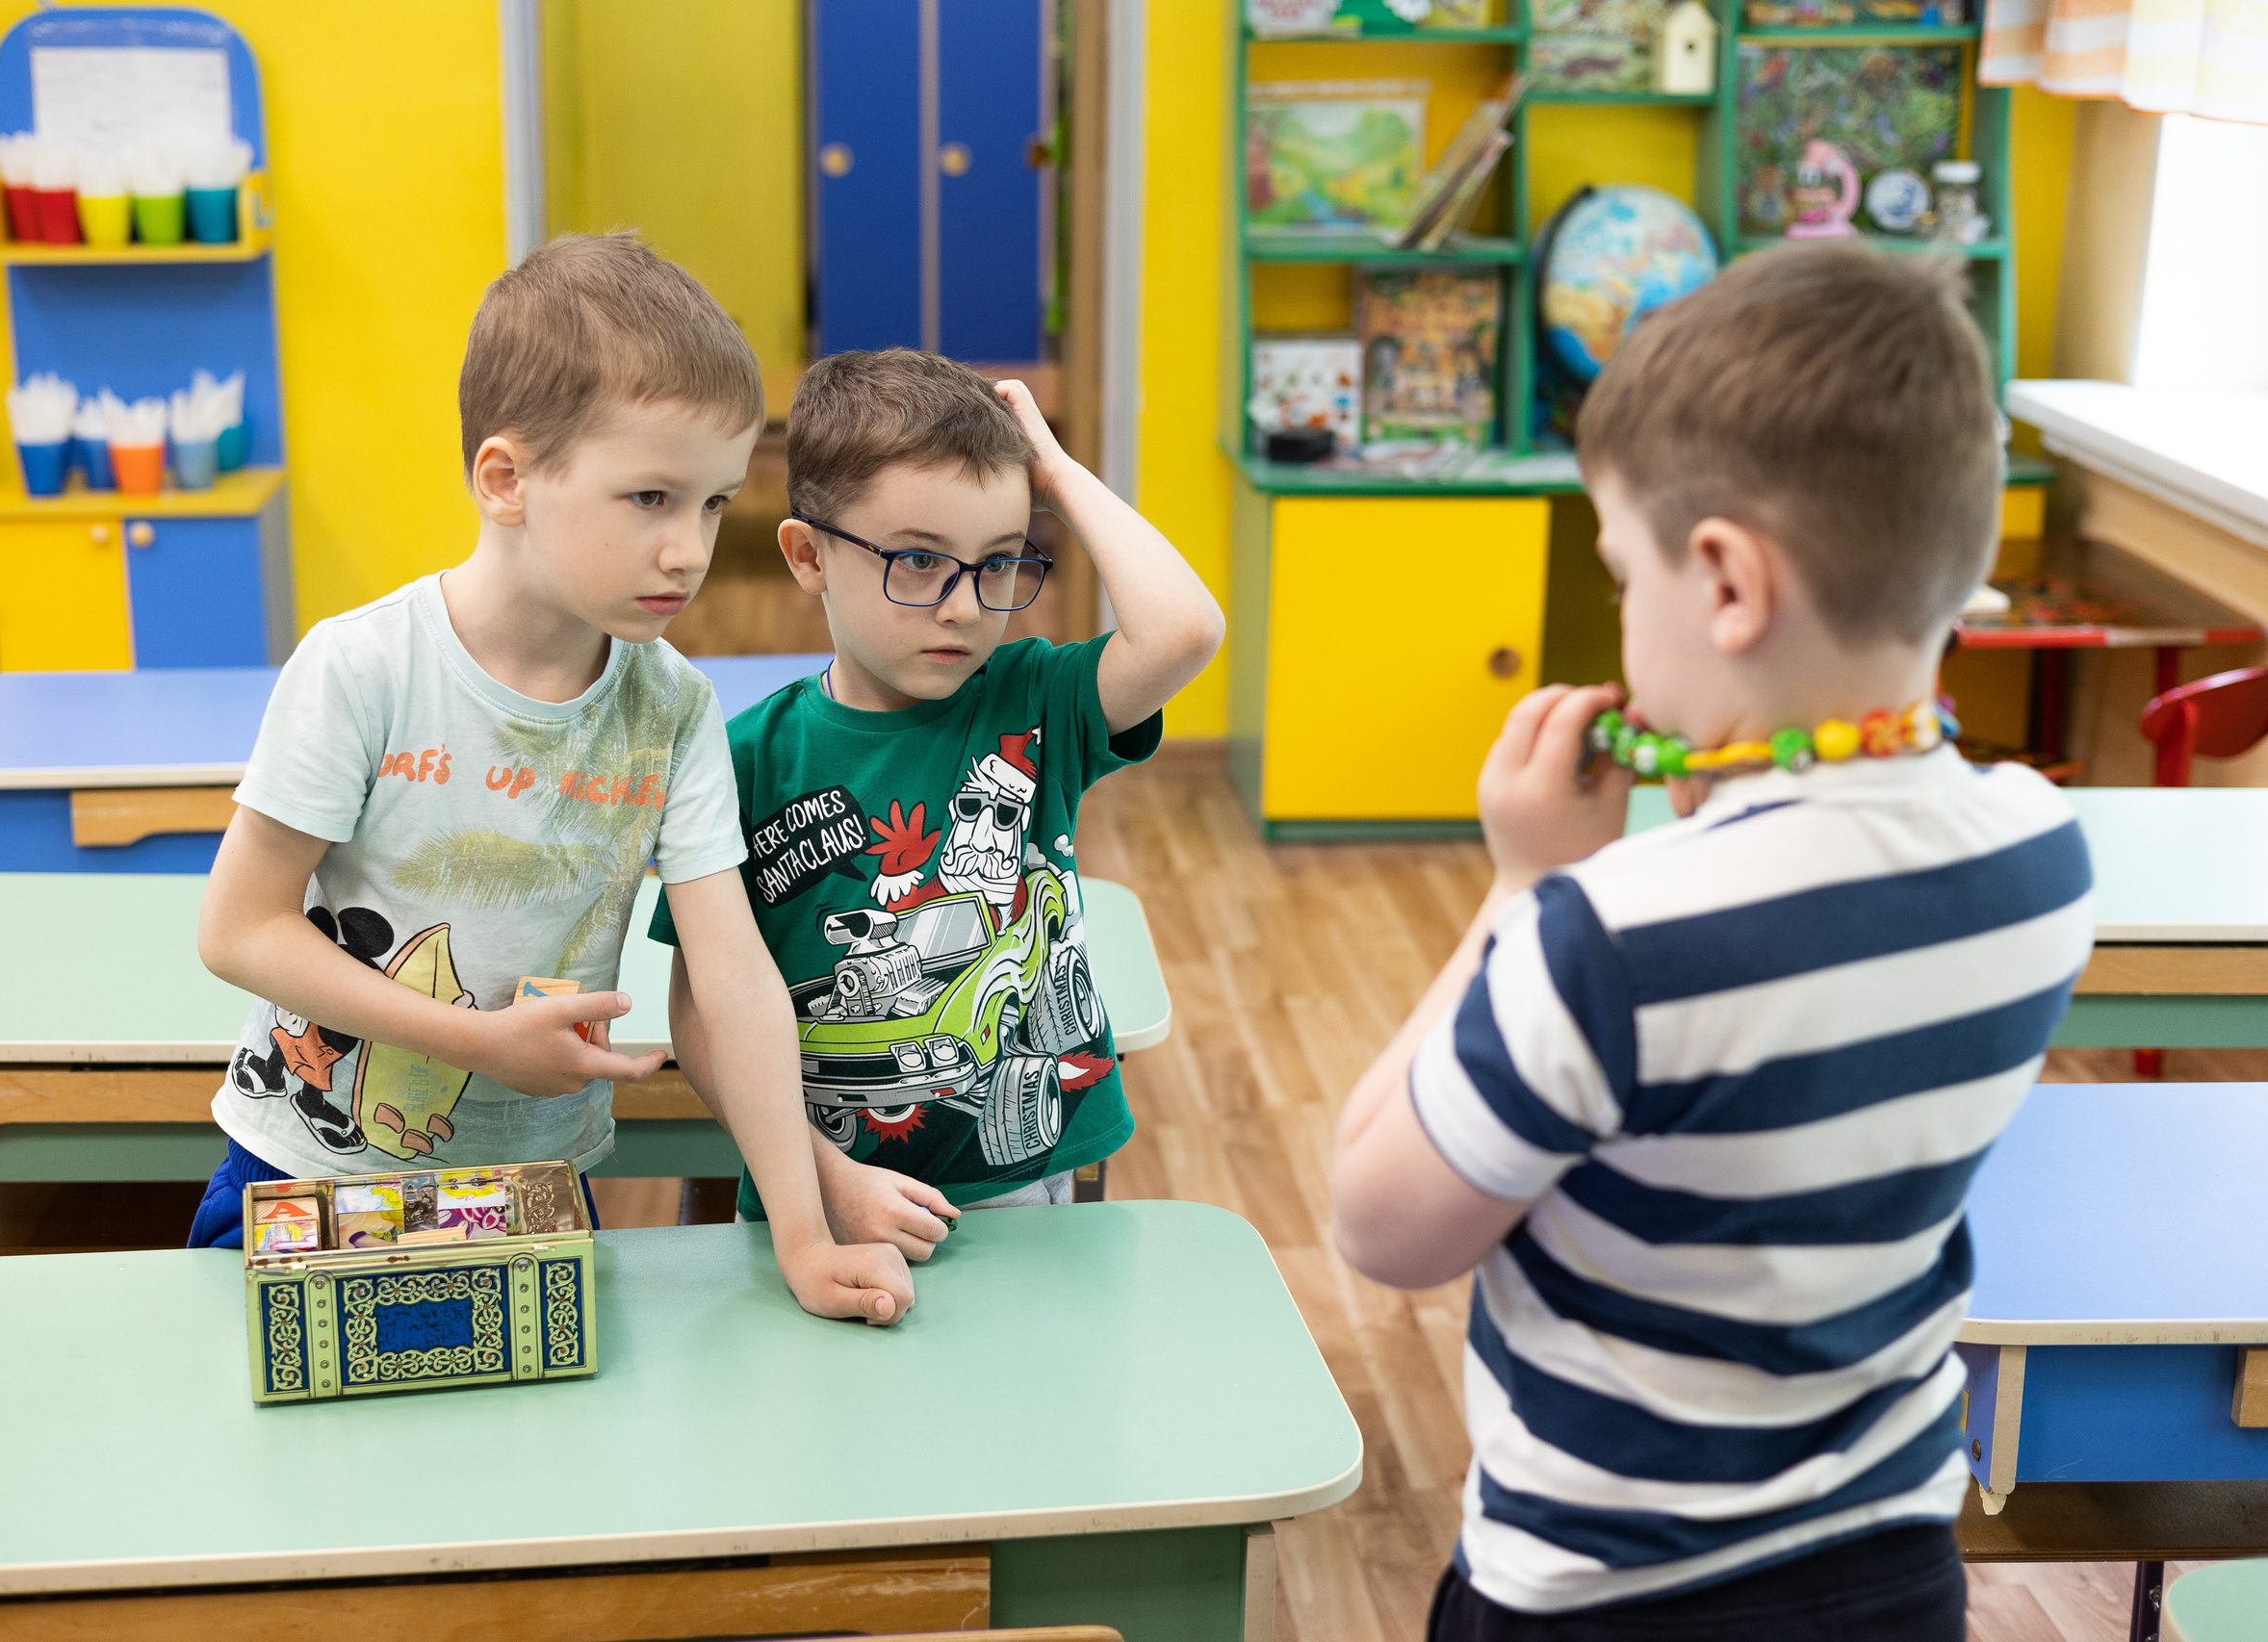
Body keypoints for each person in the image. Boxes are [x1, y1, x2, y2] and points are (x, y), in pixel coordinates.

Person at [1329, 243, 2096, 1638]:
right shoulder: (2045, 848)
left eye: (1624, 570)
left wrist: (1517, 882)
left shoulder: (1605, 936)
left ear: (1727, 585)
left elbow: (1380, 1222)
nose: (1623, 608)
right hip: (1892, 1565)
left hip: (1611, 1591)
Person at [190, 232, 916, 1325]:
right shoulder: (365, 666)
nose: (690, 550)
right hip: (311, 1175)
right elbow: (238, 929)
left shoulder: (670, 708)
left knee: (525, 1483)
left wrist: (805, 1232)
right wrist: (477, 1043)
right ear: (506, 479)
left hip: (530, 1187)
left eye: (715, 504)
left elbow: (734, 980)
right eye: (650, 499)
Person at [651, 348, 1224, 1255]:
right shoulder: (743, 759)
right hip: (819, 1195)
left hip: (1020, 1183)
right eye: (919, 562)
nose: (965, 607)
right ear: (808, 556)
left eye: (999, 563)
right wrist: (822, 1184)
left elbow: (1186, 628)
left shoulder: (1035, 702)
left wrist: (1057, 473)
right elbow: (702, 1011)